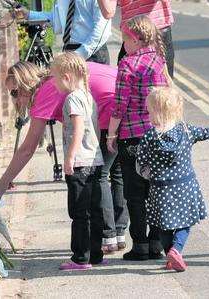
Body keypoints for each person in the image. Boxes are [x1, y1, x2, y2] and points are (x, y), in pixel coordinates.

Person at [136, 87, 209, 271]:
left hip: (160, 188)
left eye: (149, 110)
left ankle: (171, 254)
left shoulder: (149, 136)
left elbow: (141, 163)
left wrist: (148, 174)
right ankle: (176, 249)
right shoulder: (186, 130)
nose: (147, 114)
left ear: (156, 111)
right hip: (185, 186)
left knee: (163, 226)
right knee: (186, 222)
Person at [106, 15, 170, 261]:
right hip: (157, 133)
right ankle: (156, 243)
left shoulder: (127, 64)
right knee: (155, 191)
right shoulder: (158, 59)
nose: (124, 45)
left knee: (135, 194)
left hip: (132, 136)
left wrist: (111, 134)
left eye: (125, 40)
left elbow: (120, 105)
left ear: (135, 40)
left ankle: (140, 245)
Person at [50, 52, 104, 269]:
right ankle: (95, 255)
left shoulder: (72, 98)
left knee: (79, 213)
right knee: (94, 211)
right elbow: (96, 128)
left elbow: (78, 128)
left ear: (66, 76)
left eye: (54, 78)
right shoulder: (88, 95)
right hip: (94, 159)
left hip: (80, 162)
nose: (54, 83)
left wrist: (69, 157)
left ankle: (80, 258)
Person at [88, 61, 128, 254]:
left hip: (110, 117)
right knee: (118, 174)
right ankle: (119, 233)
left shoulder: (55, 82)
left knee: (101, 174)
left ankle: (108, 235)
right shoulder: (88, 67)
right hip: (123, 111)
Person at [17, 0, 112, 64]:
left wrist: (79, 54)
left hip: (93, 53)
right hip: (69, 49)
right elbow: (56, 20)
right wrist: (28, 14)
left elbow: (102, 31)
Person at [96, 0, 174, 76]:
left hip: (155, 31)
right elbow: (108, 12)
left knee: (162, 84)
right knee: (124, 82)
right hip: (130, 34)